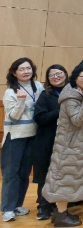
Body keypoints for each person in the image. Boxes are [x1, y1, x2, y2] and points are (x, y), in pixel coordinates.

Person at [43, 60, 83, 227]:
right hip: (69, 147)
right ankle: (61, 216)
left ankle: (60, 213)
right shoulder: (71, 98)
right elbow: (78, 120)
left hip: (72, 145)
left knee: (66, 179)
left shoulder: (77, 93)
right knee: (63, 180)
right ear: (75, 77)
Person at [2, 57, 44, 222]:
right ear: (14, 73)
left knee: (24, 173)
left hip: (33, 136)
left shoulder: (38, 86)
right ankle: (7, 208)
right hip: (15, 137)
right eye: (21, 69)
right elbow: (13, 117)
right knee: (11, 173)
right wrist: (20, 101)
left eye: (28, 68)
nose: (26, 71)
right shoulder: (10, 92)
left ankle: (18, 205)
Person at [32, 64, 68, 220]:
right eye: (52, 75)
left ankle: (57, 206)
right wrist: (59, 111)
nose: (56, 77)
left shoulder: (73, 92)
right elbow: (39, 118)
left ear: (65, 74)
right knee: (45, 175)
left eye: (59, 73)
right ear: (48, 78)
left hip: (66, 140)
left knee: (61, 175)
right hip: (46, 140)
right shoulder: (45, 95)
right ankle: (43, 206)